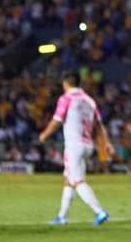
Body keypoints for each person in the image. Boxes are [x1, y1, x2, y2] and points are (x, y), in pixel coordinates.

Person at [37, 73, 112, 226]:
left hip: (74, 145)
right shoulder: (89, 100)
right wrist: (106, 143)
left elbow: (56, 120)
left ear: (65, 83)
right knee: (69, 179)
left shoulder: (66, 99)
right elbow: (99, 126)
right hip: (87, 145)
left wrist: (44, 134)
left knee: (78, 181)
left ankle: (99, 211)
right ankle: (61, 216)